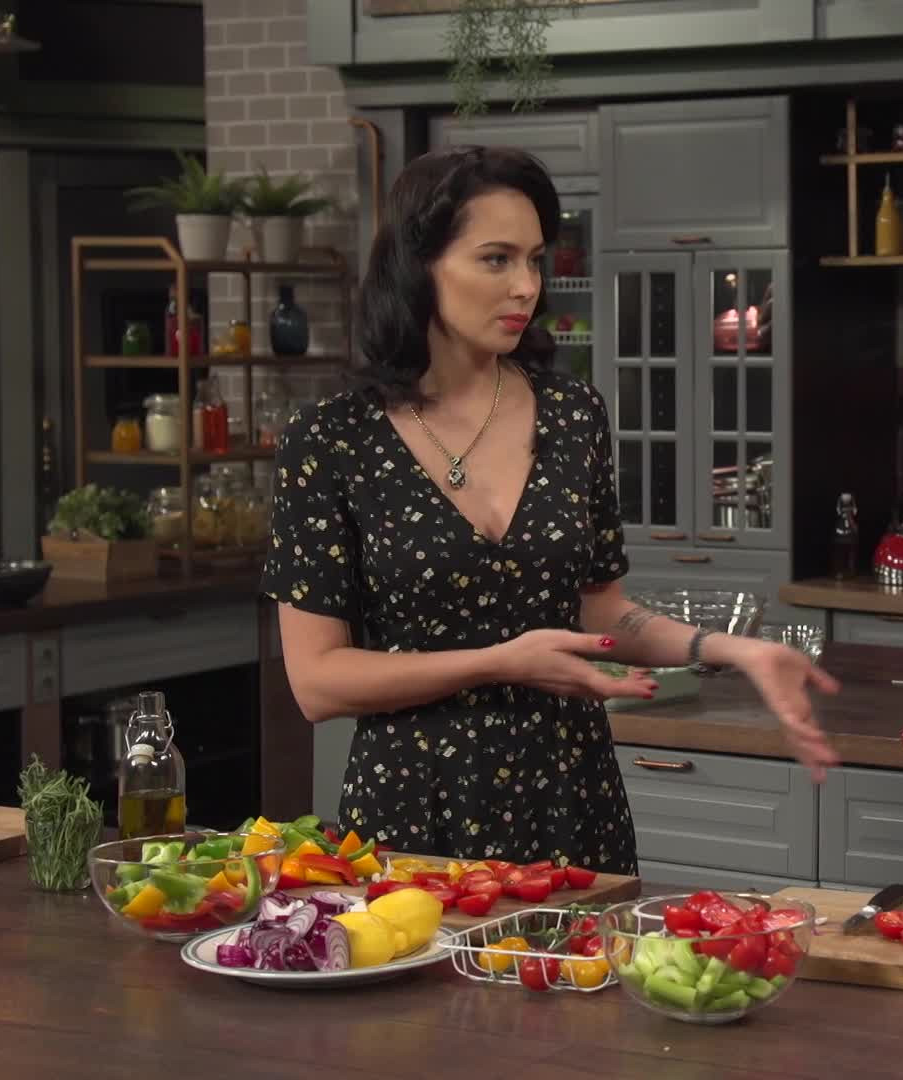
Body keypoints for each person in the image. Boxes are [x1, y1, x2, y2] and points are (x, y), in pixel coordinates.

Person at [261, 146, 839, 875]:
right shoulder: (332, 439)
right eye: (496, 259)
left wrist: (731, 650)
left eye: (535, 260)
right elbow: (317, 683)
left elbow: (602, 612)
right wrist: (500, 663)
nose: (526, 286)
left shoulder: (572, 413)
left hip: (571, 797)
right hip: (414, 810)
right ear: (418, 264)